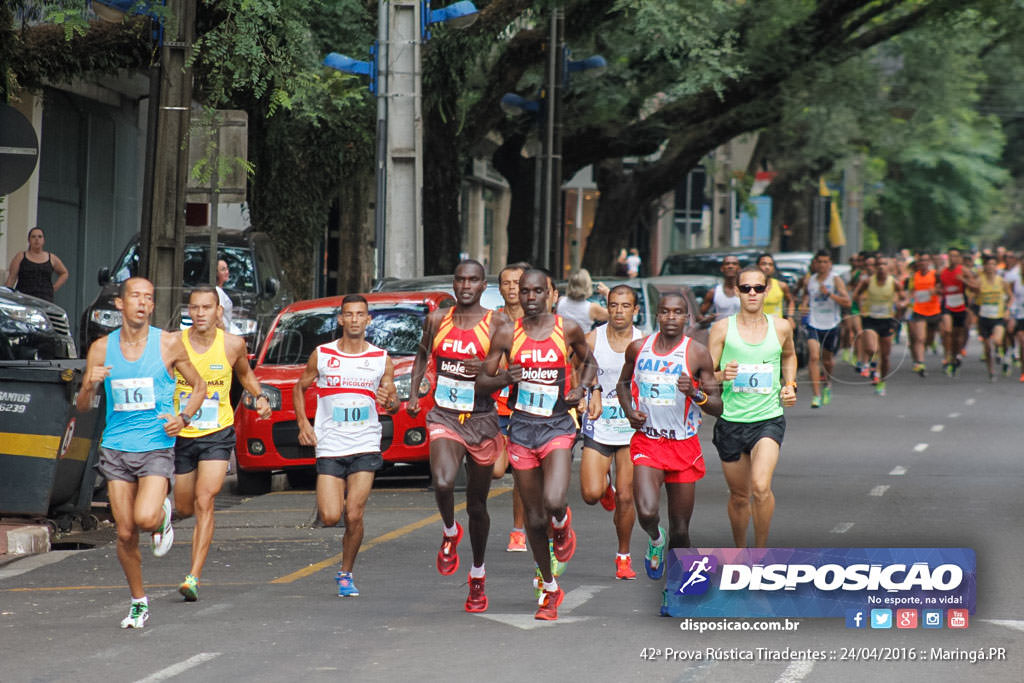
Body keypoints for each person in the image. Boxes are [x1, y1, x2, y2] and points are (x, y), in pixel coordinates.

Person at [75, 277, 207, 629]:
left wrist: (184, 417)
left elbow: (199, 386)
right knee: (124, 532)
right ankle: (138, 601)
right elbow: (83, 406)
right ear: (120, 304)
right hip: (116, 447)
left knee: (145, 519)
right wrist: (89, 384)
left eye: (148, 297)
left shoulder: (168, 344)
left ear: (152, 306)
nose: (142, 303)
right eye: (135, 296)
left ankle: (162, 517)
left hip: (155, 446)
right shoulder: (102, 349)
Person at [479, 268, 599, 621]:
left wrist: (584, 388)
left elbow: (589, 362)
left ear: (551, 293)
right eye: (525, 291)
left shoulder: (568, 329)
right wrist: (504, 377)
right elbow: (483, 381)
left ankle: (562, 522)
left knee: (553, 500)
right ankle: (549, 588)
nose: (530, 298)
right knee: (533, 518)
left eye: (537, 292)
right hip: (521, 430)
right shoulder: (506, 333)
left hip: (558, 426)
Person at [407, 260, 508, 612]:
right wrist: (413, 391)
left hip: (481, 418)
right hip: (444, 416)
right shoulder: (437, 319)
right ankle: (450, 530)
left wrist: (485, 371)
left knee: (478, 505)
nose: (466, 286)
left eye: (473, 280)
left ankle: (477, 574)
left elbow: (512, 370)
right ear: (453, 284)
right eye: (460, 279)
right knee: (444, 481)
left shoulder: (497, 323)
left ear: (484, 286)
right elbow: (422, 355)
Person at [616, 292, 722, 609]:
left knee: (681, 529)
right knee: (647, 512)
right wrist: (628, 411)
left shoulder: (698, 354)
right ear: (657, 316)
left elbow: (718, 406)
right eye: (665, 312)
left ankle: (674, 589)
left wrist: (698, 394)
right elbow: (623, 384)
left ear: (687, 317)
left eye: (678, 312)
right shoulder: (638, 348)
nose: (671, 317)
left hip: (683, 446)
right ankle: (654, 540)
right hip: (648, 441)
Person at [293, 294, 400, 598]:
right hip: (330, 444)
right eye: (348, 315)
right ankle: (345, 558)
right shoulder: (322, 355)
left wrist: (389, 402)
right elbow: (299, 388)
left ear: (369, 320)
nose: (354, 319)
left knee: (354, 513)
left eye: (360, 314)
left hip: (365, 443)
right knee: (329, 516)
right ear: (340, 320)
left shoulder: (381, 359)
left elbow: (392, 402)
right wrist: (304, 424)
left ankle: (346, 572)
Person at [171, 286, 272, 602]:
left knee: (205, 499)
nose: (200, 313)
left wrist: (260, 396)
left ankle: (193, 576)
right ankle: (168, 515)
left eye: (206, 307)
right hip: (181, 434)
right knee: (184, 506)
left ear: (218, 312)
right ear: (189, 312)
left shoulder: (232, 344)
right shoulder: (174, 344)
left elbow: (245, 375)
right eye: (194, 308)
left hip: (217, 432)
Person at [708, 266, 797, 548]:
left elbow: (790, 355)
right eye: (746, 288)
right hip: (731, 421)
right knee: (739, 495)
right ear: (736, 291)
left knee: (760, 487)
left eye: (758, 288)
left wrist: (790, 384)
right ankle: (740, 550)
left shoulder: (781, 326)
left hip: (767, 419)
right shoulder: (722, 329)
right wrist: (723, 375)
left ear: (767, 290)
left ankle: (760, 552)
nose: (752, 294)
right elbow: (706, 376)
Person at [579, 284, 642, 580]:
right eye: (613, 305)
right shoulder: (592, 339)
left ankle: (623, 556)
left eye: (625, 306)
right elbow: (578, 374)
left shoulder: (644, 342)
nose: (618, 311)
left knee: (627, 498)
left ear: (635, 310)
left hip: (631, 429)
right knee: (590, 494)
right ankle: (606, 489)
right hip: (600, 423)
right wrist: (587, 392)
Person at [493, 262, 529, 552]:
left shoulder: (539, 322)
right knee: (495, 470)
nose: (512, 288)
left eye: (517, 282)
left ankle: (518, 530)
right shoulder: (493, 321)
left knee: (519, 471)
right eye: (506, 283)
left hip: (527, 407)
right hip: (494, 404)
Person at [799, 250, 850, 408]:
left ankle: (827, 383)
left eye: (825, 262)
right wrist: (804, 306)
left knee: (827, 360)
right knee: (814, 357)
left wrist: (829, 295)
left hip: (831, 324)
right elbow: (806, 297)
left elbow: (847, 302)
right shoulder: (810, 280)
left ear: (830, 264)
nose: (822, 265)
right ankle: (816, 395)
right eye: (819, 261)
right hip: (813, 322)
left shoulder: (835, 280)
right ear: (815, 263)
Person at [851, 255, 905, 396]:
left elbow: (904, 297)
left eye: (884, 264)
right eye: (878, 264)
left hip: (887, 320)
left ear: (889, 268)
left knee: (886, 356)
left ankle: (882, 381)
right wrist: (861, 303)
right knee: (871, 348)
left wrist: (900, 303)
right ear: (875, 268)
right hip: (870, 319)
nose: (881, 267)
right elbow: (855, 295)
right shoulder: (868, 281)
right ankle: (873, 365)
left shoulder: (894, 283)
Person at [972, 254, 1013, 381]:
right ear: (984, 266)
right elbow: (973, 296)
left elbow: (1011, 297)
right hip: (983, 317)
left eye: (993, 264)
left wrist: (1007, 310)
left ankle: (1003, 355)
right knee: (987, 348)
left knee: (997, 341)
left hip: (998, 316)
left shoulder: (1001, 281)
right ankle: (991, 371)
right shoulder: (979, 280)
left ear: (996, 266)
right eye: (988, 264)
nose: (990, 267)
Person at [5, 227, 69, 302]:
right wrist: (6, 296)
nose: (37, 239)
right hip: (24, 298)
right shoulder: (20, 256)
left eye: (39, 237)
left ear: (43, 240)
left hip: (45, 299)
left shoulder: (51, 258)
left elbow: (64, 273)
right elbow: (12, 277)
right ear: (29, 240)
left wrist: (54, 288)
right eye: (33, 237)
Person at [939, 247, 976, 376]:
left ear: (959, 258)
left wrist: (963, 280)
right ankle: (948, 355)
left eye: (955, 256)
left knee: (958, 336)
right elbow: (940, 286)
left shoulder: (964, 271)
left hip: (960, 305)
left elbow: (975, 287)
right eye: (950, 256)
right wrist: (938, 290)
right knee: (947, 331)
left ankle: (955, 356)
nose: (952, 258)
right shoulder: (942, 272)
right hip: (947, 304)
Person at [907, 251, 942, 377]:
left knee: (929, 338)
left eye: (926, 260)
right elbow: (911, 292)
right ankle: (920, 362)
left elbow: (942, 289)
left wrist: (936, 290)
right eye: (921, 260)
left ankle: (922, 354)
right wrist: (907, 302)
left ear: (929, 262)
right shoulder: (913, 276)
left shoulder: (935, 274)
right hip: (918, 310)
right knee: (919, 338)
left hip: (934, 310)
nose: (923, 263)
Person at [699, 255, 741, 323]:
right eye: (727, 264)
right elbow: (699, 316)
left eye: (734, 264)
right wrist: (707, 319)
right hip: (720, 331)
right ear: (722, 268)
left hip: (742, 331)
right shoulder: (713, 292)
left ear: (739, 268)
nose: (730, 266)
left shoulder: (746, 291)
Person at [756, 253, 795, 326]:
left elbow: (791, 301)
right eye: (764, 264)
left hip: (777, 327)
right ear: (757, 266)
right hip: (758, 327)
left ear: (773, 268)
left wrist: (790, 317)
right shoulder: (750, 288)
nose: (767, 267)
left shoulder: (781, 285)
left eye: (770, 264)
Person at [215, 259, 234, 329]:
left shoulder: (220, 290)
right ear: (216, 273)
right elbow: (218, 316)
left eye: (227, 268)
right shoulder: (218, 291)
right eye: (223, 269)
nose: (227, 272)